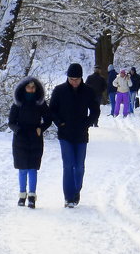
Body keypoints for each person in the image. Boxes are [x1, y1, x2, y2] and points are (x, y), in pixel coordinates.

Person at [48, 62, 100, 208]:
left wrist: (87, 123)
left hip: (81, 134)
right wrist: (60, 123)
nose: (74, 82)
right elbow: (52, 110)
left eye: (76, 79)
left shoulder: (88, 91)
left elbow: (95, 111)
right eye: (71, 79)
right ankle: (68, 197)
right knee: (68, 165)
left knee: (79, 167)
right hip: (65, 134)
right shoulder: (59, 91)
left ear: (81, 78)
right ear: (67, 78)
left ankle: (76, 191)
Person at [8, 77, 51, 208]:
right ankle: (22, 195)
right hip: (20, 139)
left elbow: (48, 119)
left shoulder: (40, 103)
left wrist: (41, 128)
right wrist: (17, 130)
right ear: (24, 88)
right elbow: (11, 122)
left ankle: (32, 196)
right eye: (29, 87)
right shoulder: (17, 103)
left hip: (35, 138)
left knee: (33, 168)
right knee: (22, 169)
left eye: (33, 87)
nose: (31, 90)